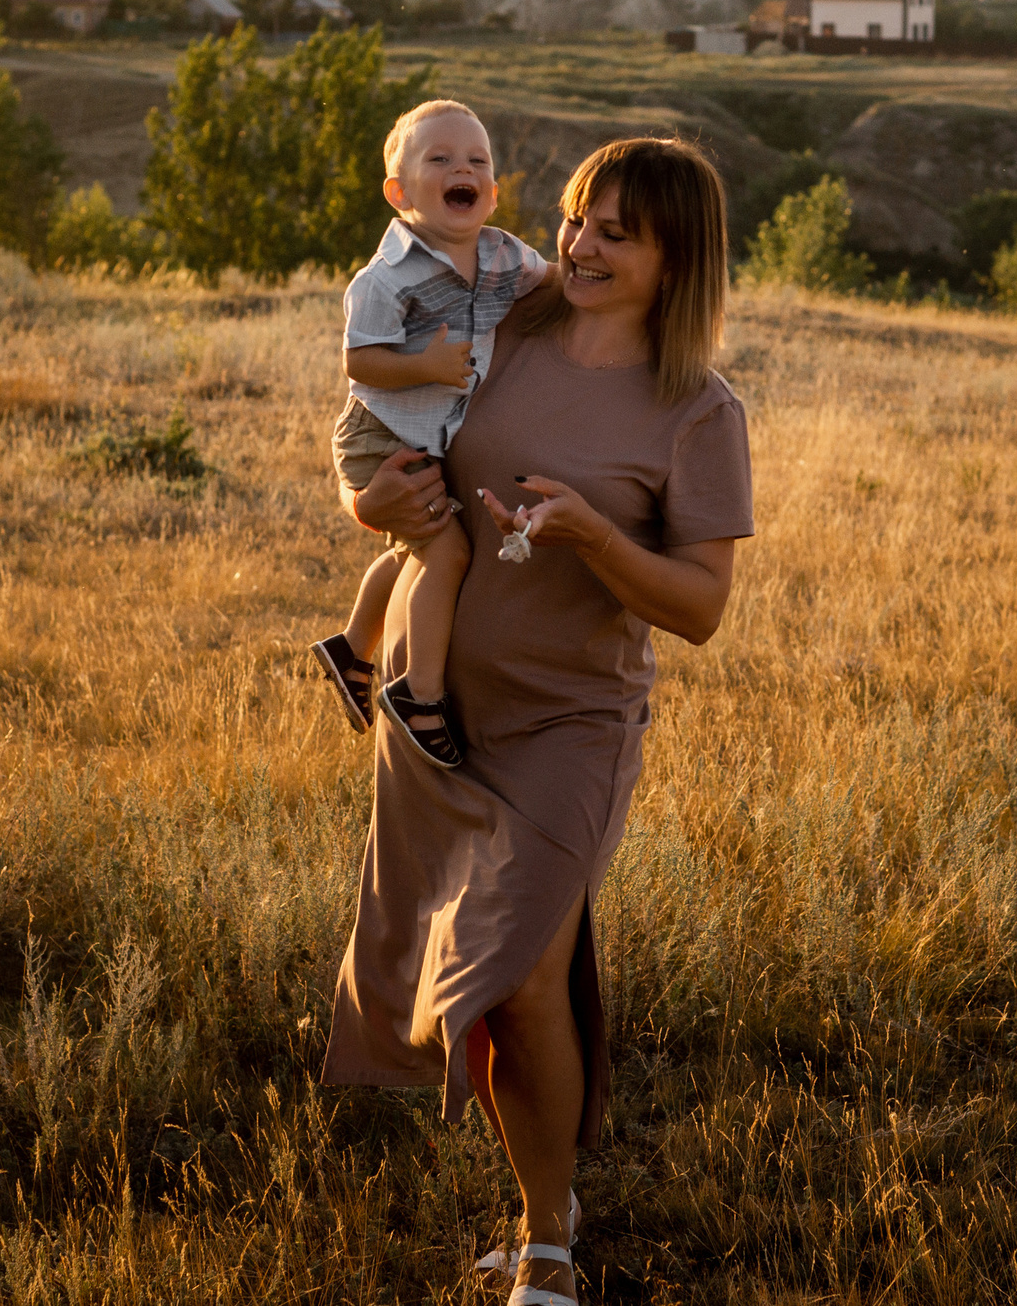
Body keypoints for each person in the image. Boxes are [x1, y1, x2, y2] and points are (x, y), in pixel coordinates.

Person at [322, 137, 754, 1306]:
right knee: (492, 984)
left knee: (515, 974)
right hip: (437, 709)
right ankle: (544, 1201)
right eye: (576, 218)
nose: (582, 245)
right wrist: (370, 506)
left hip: (571, 722)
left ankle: (547, 1245)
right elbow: (383, 440)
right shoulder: (499, 330)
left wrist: (596, 541)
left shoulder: (696, 412)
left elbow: (703, 610)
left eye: (618, 230)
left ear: (678, 258)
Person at [309, 100, 551, 765]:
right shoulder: (387, 276)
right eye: (439, 159)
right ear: (400, 191)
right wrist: (422, 366)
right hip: (379, 435)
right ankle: (420, 695)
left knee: (421, 544)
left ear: (493, 193)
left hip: (425, 438)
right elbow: (358, 360)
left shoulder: (503, 255)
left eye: (476, 161)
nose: (461, 169)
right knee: (445, 554)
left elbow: (556, 286)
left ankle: (352, 645)